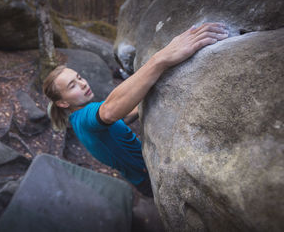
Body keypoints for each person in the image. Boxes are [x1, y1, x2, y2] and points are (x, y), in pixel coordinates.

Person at [42, 23, 229, 196]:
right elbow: (109, 112)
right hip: (149, 177)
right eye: (72, 86)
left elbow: (116, 122)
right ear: (63, 103)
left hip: (142, 176)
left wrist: (144, 103)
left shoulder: (79, 120)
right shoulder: (84, 118)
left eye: (79, 78)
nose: (82, 84)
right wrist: (160, 59)